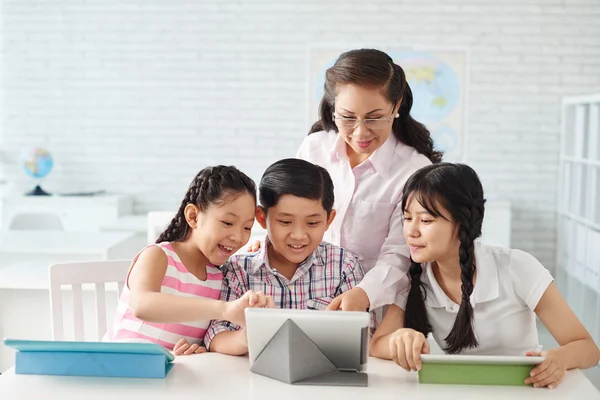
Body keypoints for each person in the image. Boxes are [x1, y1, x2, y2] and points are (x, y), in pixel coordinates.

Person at [369, 163, 600, 389]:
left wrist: (560, 359)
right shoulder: (415, 278)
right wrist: (400, 339)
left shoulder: (517, 268)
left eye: (426, 220)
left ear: (462, 223)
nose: (411, 231)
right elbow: (377, 344)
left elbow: (588, 349)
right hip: (460, 391)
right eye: (408, 218)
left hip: (526, 390)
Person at [204, 158, 371, 355]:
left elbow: (365, 335)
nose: (299, 235)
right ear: (261, 218)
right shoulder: (238, 271)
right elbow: (216, 335)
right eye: (285, 221)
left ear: (328, 220)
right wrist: (245, 338)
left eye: (312, 223)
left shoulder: (344, 266)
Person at [105, 165, 273, 355]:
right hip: (118, 365)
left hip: (165, 375)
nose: (238, 237)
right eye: (227, 223)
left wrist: (194, 350)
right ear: (193, 216)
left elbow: (203, 340)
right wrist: (223, 309)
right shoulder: (158, 256)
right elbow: (143, 305)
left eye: (247, 227)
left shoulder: (219, 277)